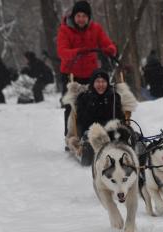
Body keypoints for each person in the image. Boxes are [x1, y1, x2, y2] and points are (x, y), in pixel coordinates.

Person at [57, 0, 117, 136]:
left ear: (88, 17)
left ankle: (90, 132)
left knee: (92, 104)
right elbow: (62, 51)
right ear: (73, 16)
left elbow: (107, 44)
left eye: (84, 16)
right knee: (71, 106)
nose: (81, 19)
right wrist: (78, 51)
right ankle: (70, 135)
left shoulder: (96, 29)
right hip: (70, 74)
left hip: (90, 75)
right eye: (78, 16)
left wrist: (110, 50)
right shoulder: (65, 30)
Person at [76, 69, 124, 138]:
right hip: (91, 132)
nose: (101, 84)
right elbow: (81, 120)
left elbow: (119, 117)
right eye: (97, 81)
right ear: (93, 83)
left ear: (107, 83)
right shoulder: (84, 98)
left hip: (111, 131)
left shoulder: (114, 96)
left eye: (103, 81)